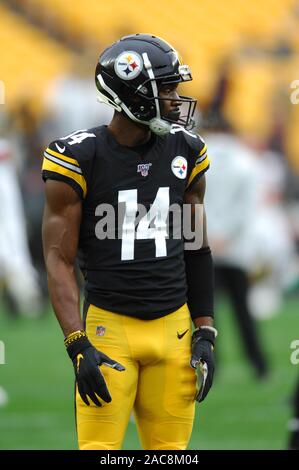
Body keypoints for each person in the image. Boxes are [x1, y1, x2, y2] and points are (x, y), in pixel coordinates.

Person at [42, 34, 216, 450]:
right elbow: (57, 259)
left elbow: (197, 246)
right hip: (109, 329)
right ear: (134, 94)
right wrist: (76, 342)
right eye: (168, 89)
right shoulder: (79, 156)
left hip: (174, 330)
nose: (177, 100)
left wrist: (206, 330)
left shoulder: (187, 150)